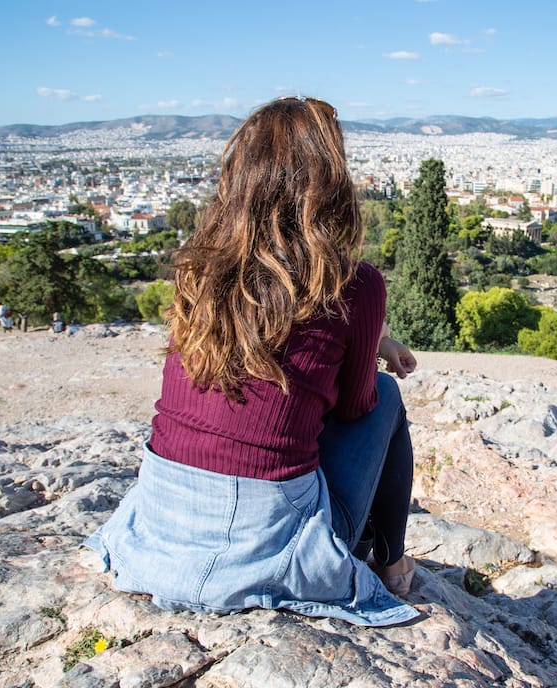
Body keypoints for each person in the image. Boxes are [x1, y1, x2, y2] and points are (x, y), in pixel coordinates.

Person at [85, 97, 420, 627]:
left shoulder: (201, 270)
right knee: (388, 398)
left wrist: (372, 336)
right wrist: (361, 352)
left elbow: (277, 324)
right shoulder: (354, 285)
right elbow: (358, 408)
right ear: (329, 179)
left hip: (162, 523)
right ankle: (393, 564)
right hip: (270, 543)